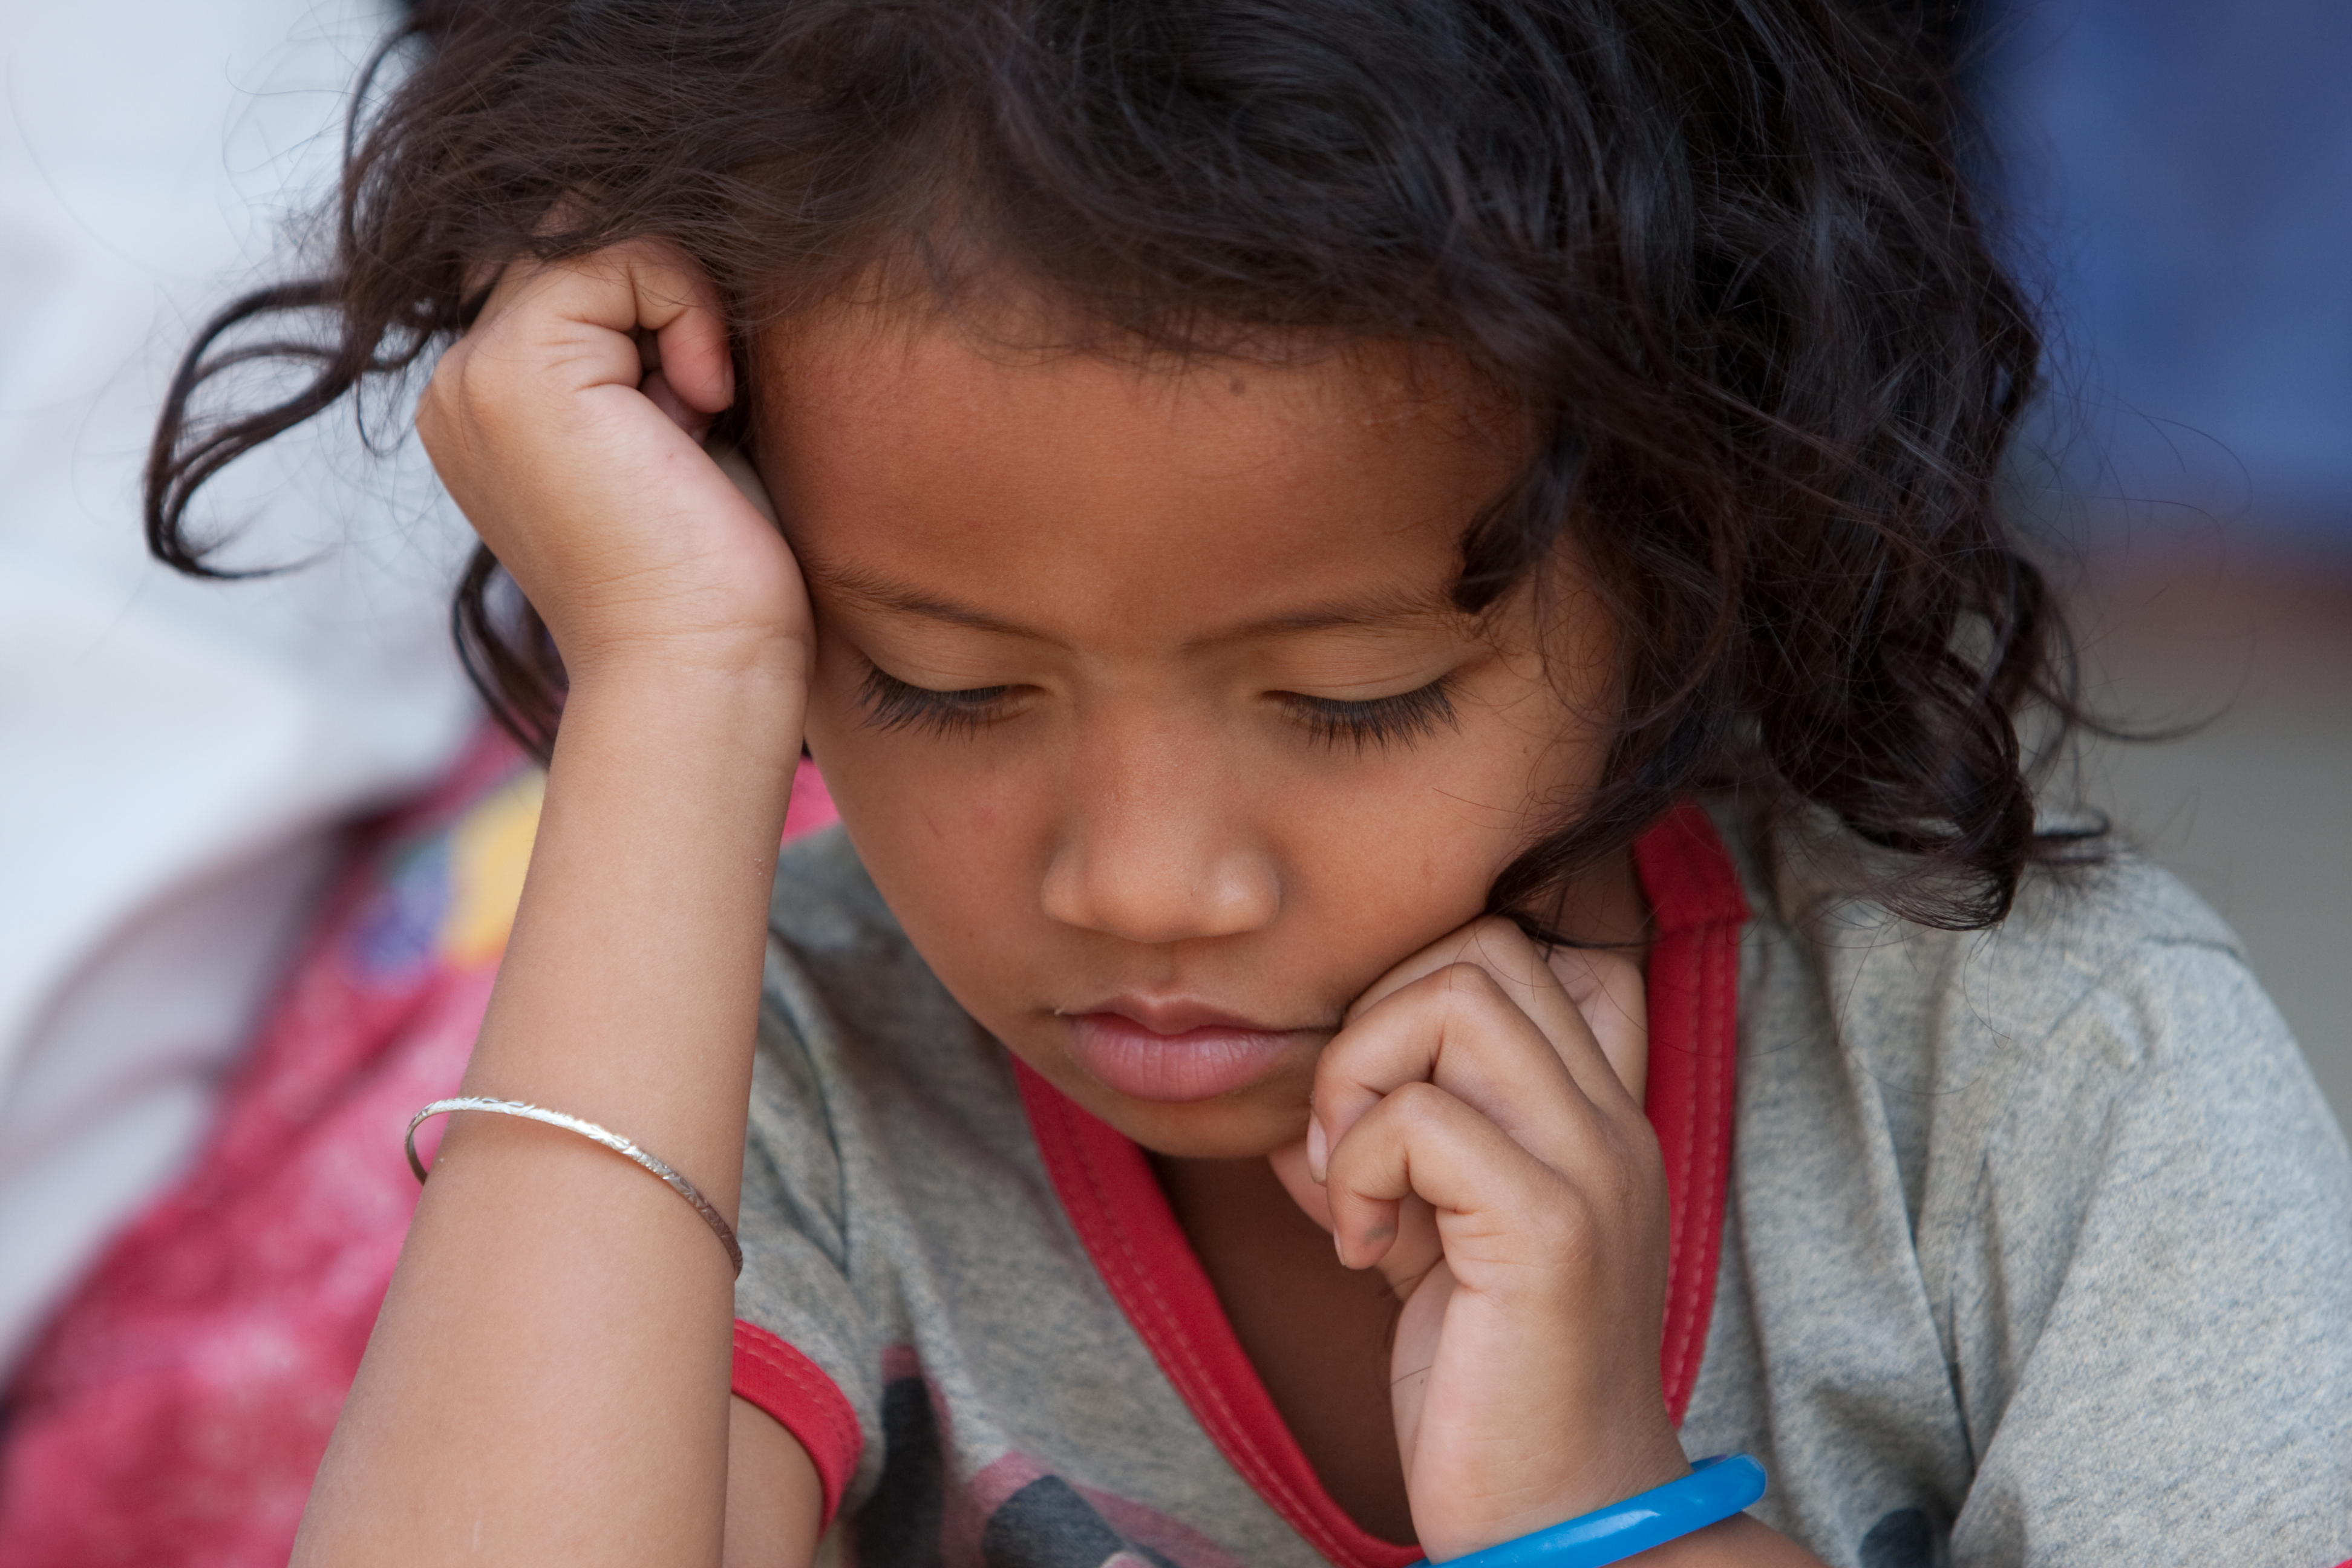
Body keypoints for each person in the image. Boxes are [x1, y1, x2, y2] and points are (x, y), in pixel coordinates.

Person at [143, 1, 2352, 1564]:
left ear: (1692, 556)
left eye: (1353, 698)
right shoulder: (775, 1100)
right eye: (937, 683)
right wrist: (667, 677)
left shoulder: (2030, 1088)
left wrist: (1600, 1514)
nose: (1145, 883)